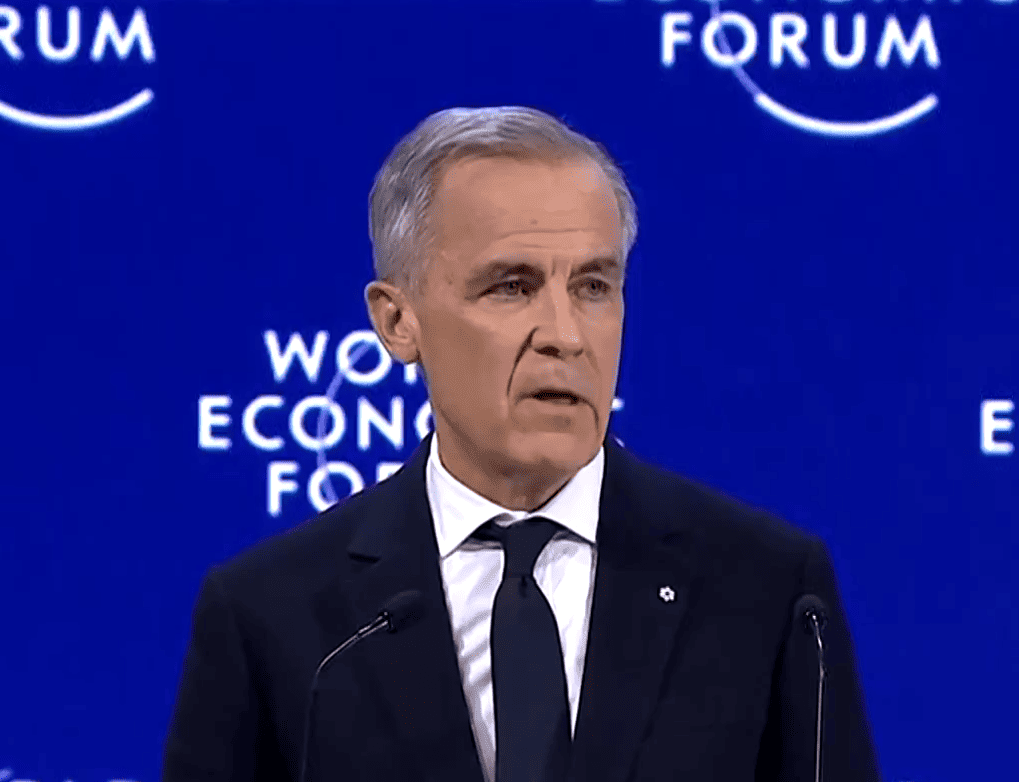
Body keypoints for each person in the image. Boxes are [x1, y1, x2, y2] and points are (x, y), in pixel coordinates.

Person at [162, 106, 881, 782]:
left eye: (593, 287)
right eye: (511, 287)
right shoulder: (274, 617)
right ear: (397, 322)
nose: (565, 336)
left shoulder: (766, 589)